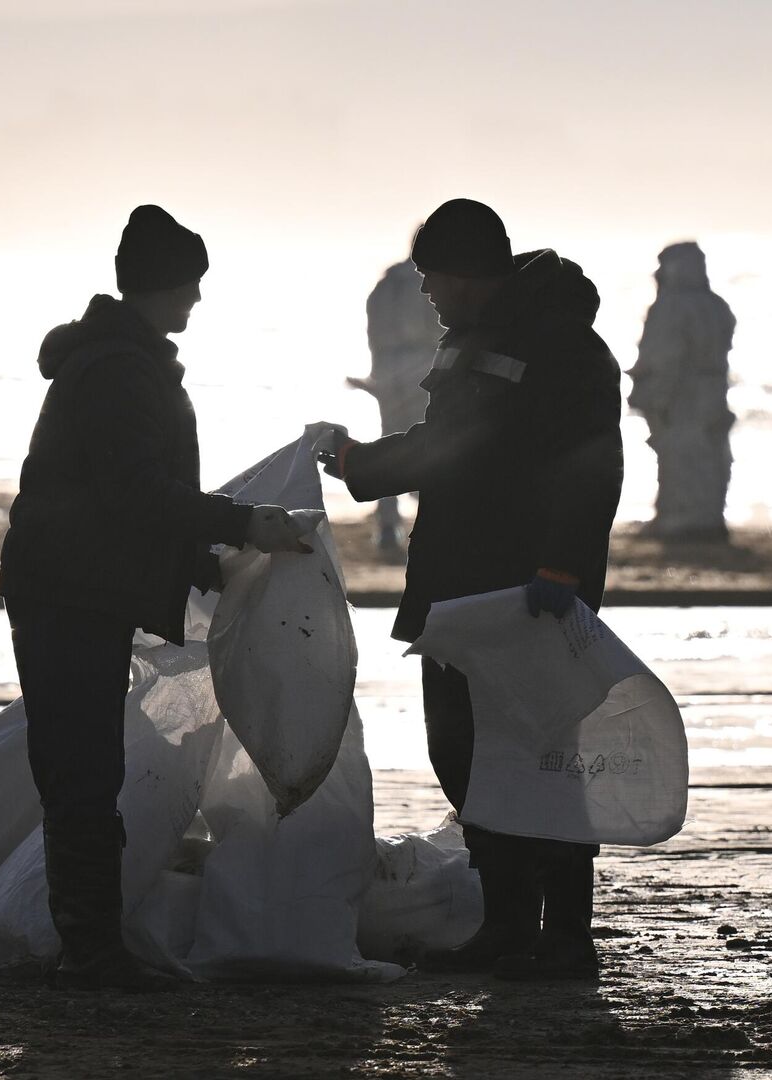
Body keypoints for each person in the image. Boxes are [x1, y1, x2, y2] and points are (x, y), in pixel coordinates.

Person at [0, 205, 313, 991]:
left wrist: (207, 562)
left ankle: (92, 942)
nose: (197, 301)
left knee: (84, 767)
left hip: (74, 584)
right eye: (190, 285)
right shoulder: (119, 372)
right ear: (164, 285)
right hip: (69, 590)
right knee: (82, 771)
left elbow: (126, 498)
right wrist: (241, 522)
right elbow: (133, 490)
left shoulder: (117, 361)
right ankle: (92, 952)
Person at [319, 198, 624, 981]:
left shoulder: (566, 348)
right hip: (458, 585)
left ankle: (565, 937)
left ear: (467, 275)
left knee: (542, 757)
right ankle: (508, 923)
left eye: (432, 280)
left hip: (526, 594)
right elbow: (445, 446)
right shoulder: (471, 344)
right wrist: (359, 465)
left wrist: (562, 569)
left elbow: (594, 468)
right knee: (463, 755)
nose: (426, 295)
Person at [629, 241, 735, 540]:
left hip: (683, 395)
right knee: (707, 455)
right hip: (712, 392)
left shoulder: (671, 306)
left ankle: (685, 521)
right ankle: (702, 517)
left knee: (683, 455)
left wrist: (658, 394)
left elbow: (666, 357)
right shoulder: (716, 305)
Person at [350, 259, 442, 558]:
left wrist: (378, 372)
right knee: (429, 442)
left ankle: (388, 526)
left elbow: (371, 329)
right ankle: (426, 519)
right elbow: (440, 328)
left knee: (389, 440)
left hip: (388, 368)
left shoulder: (386, 284)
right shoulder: (433, 281)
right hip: (422, 364)